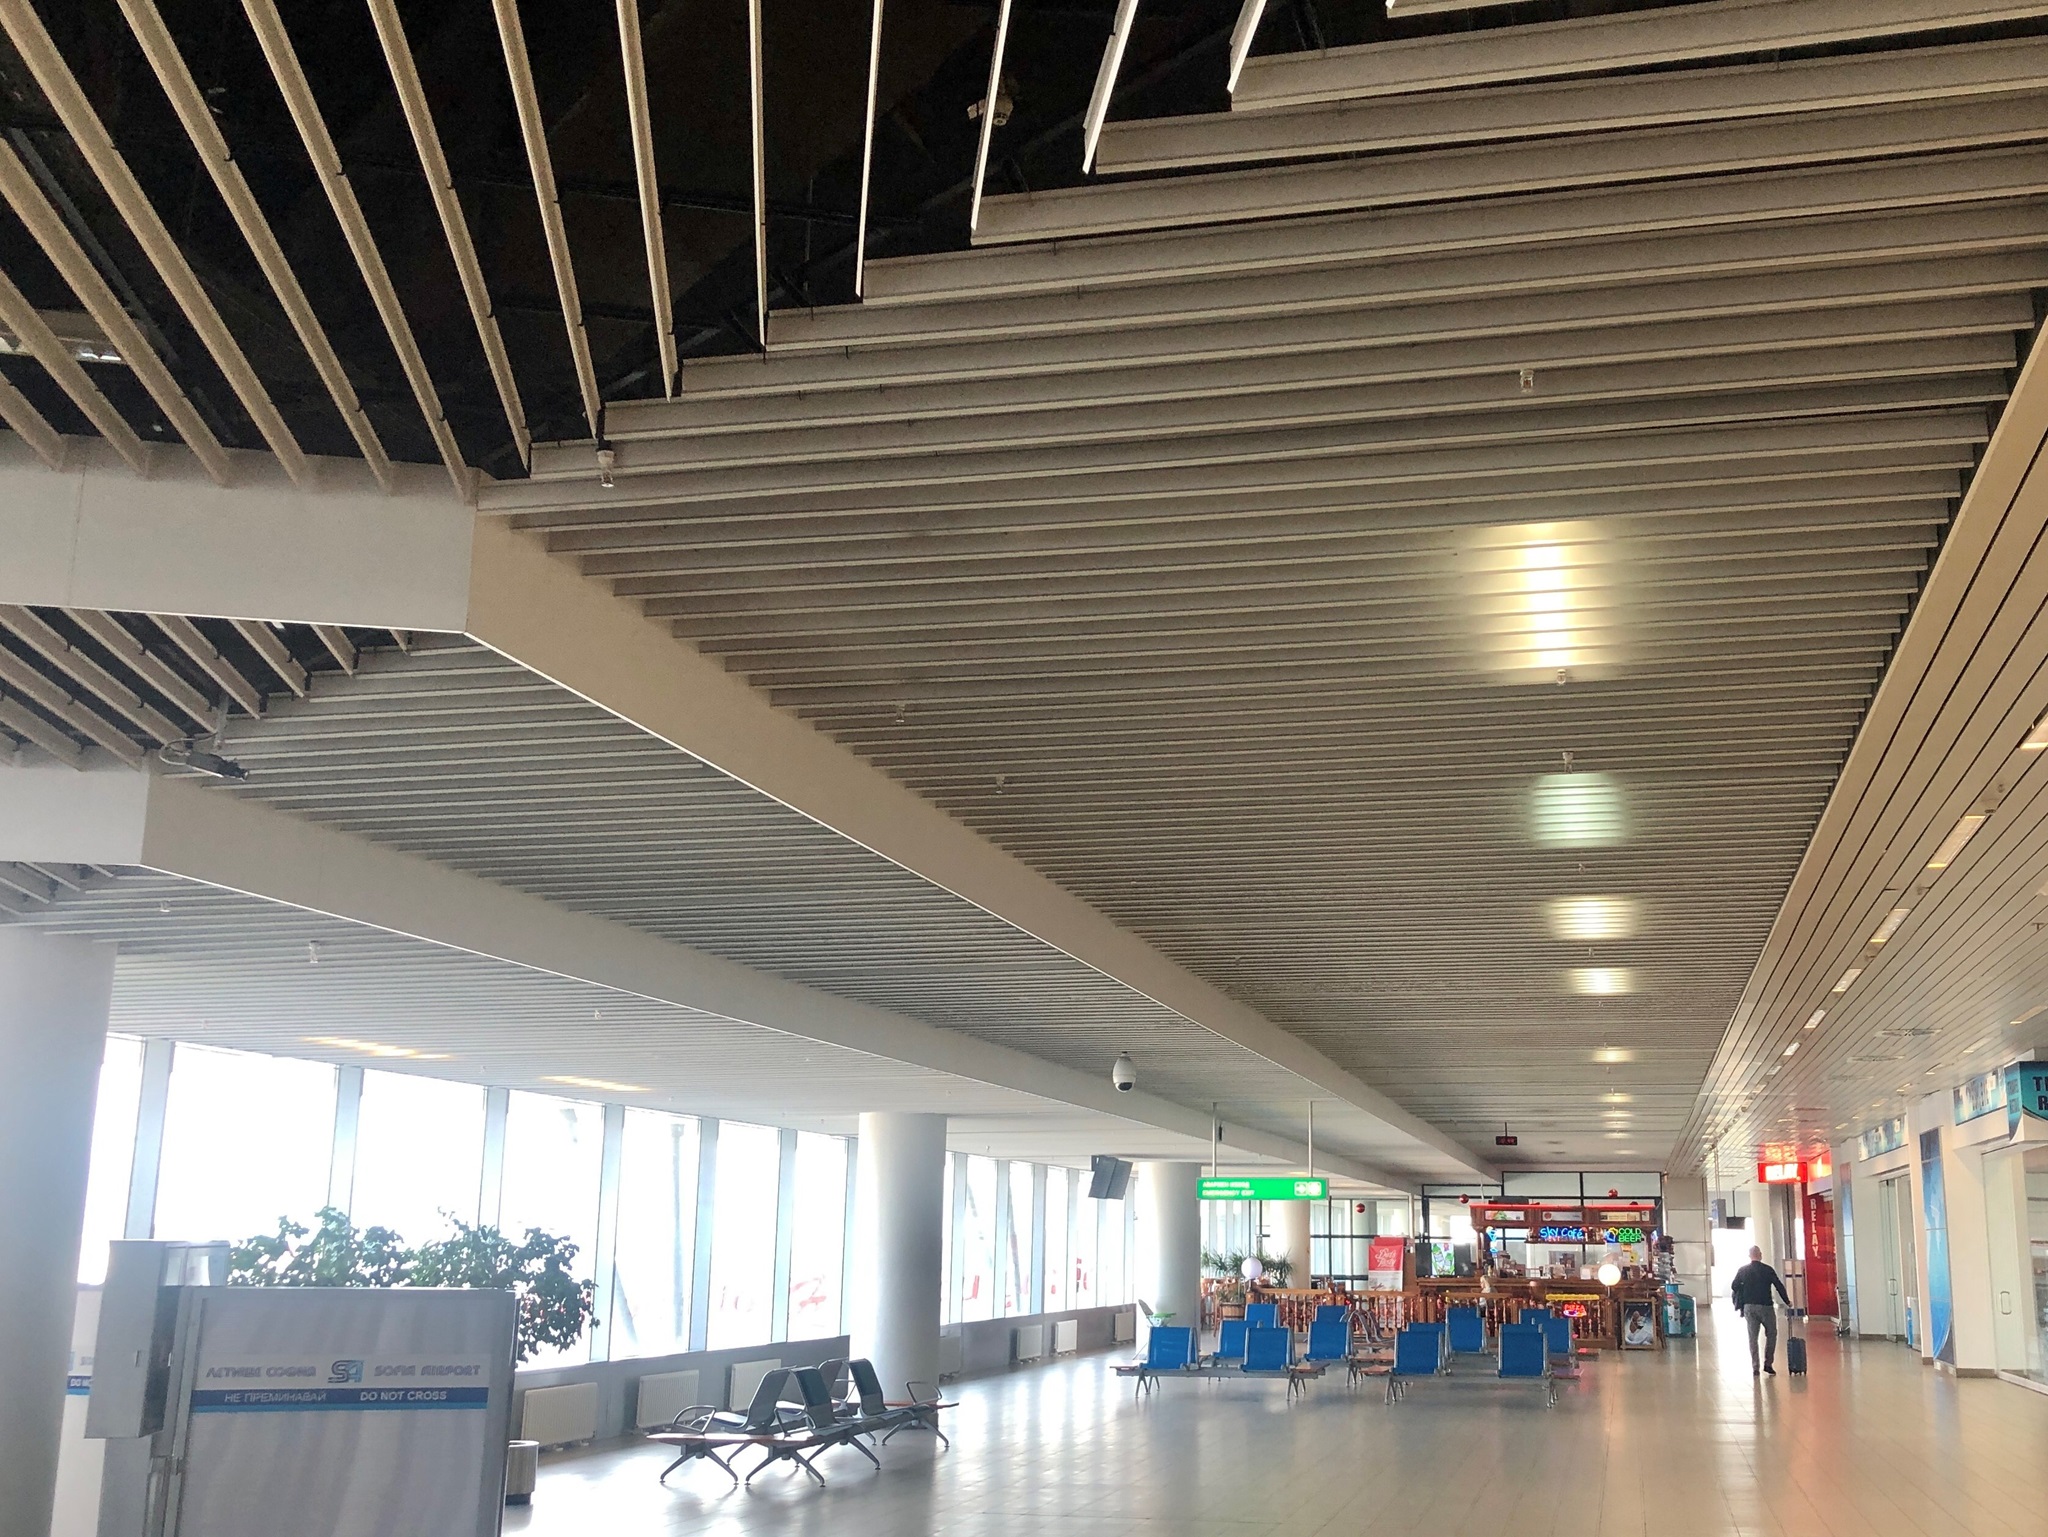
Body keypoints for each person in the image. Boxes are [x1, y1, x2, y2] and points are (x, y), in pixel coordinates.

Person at [1730, 1245, 1793, 1376]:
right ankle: (1768, 1364)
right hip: (1766, 1307)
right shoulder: (1768, 1270)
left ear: (1749, 1256)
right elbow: (1778, 1286)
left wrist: (1744, 1287)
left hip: (1749, 1307)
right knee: (1771, 1334)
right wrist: (1787, 1301)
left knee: (1752, 1337)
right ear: (1760, 1255)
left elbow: (1734, 1286)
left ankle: (1755, 1367)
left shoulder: (1743, 1270)